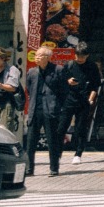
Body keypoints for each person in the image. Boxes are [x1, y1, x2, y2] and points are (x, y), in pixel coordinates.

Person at [24, 47, 69, 176]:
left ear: (48, 57)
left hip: (51, 109)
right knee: (31, 141)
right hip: (35, 109)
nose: (36, 57)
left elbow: (64, 91)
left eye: (40, 55)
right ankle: (29, 169)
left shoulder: (58, 70)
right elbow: (29, 88)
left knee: (52, 141)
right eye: (36, 55)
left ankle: (54, 168)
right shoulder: (32, 72)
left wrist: (58, 105)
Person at [63, 48, 102, 162]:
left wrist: (90, 99)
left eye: (82, 56)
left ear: (87, 55)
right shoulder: (69, 65)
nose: (79, 59)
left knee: (81, 127)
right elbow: (61, 81)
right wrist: (68, 81)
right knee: (62, 126)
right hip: (69, 99)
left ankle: (78, 153)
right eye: (78, 56)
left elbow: (95, 85)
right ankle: (58, 151)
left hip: (84, 99)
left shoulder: (92, 66)